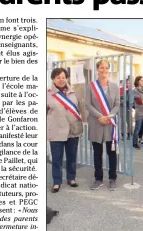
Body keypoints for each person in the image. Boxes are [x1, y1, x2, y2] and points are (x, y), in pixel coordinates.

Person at [47, 68, 84, 193]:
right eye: (58, 77)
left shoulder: (74, 92)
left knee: (72, 156)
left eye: (63, 77)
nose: (61, 80)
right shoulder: (48, 94)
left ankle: (71, 178)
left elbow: (81, 107)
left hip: (73, 130)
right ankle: (57, 182)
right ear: (53, 79)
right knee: (57, 158)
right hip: (56, 130)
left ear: (66, 78)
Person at [85, 60, 121, 191]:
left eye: (106, 68)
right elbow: (87, 104)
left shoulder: (115, 86)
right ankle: (98, 179)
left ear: (109, 70)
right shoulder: (91, 86)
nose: (104, 70)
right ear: (97, 69)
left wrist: (108, 116)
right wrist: (100, 116)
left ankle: (112, 178)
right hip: (96, 123)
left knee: (111, 153)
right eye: (101, 67)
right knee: (97, 153)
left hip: (110, 124)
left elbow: (117, 105)